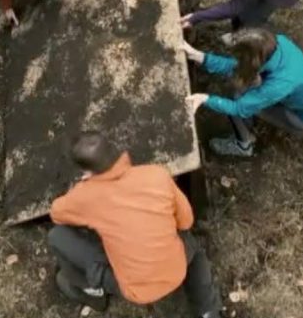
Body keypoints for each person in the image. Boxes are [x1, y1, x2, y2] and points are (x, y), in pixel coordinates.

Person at [48, 132, 221, 318]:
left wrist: (83, 189)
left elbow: (56, 214)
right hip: (176, 269)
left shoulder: (84, 196)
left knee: (57, 236)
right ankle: (208, 311)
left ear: (87, 172)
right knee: (194, 251)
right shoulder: (157, 174)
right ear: (116, 151)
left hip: (135, 290)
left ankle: (91, 291)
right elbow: (186, 221)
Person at [182, 28, 303, 158]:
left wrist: (204, 99)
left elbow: (238, 108)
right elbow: (236, 66)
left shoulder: (278, 85)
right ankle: (257, 117)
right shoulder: (276, 43)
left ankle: (243, 145)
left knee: (238, 97)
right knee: (246, 85)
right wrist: (199, 56)